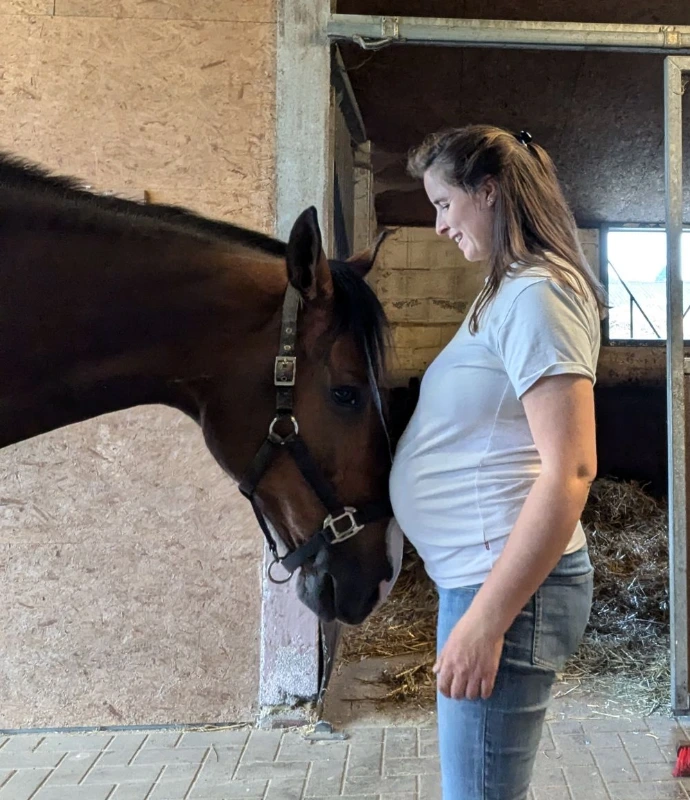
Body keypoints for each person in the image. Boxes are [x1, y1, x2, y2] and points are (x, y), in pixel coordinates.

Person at [389, 124, 606, 800]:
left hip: (507, 590)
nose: (438, 225)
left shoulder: (538, 296)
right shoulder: (508, 291)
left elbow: (572, 469)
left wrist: (487, 621)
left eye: (444, 203)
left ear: (488, 191)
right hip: (484, 579)